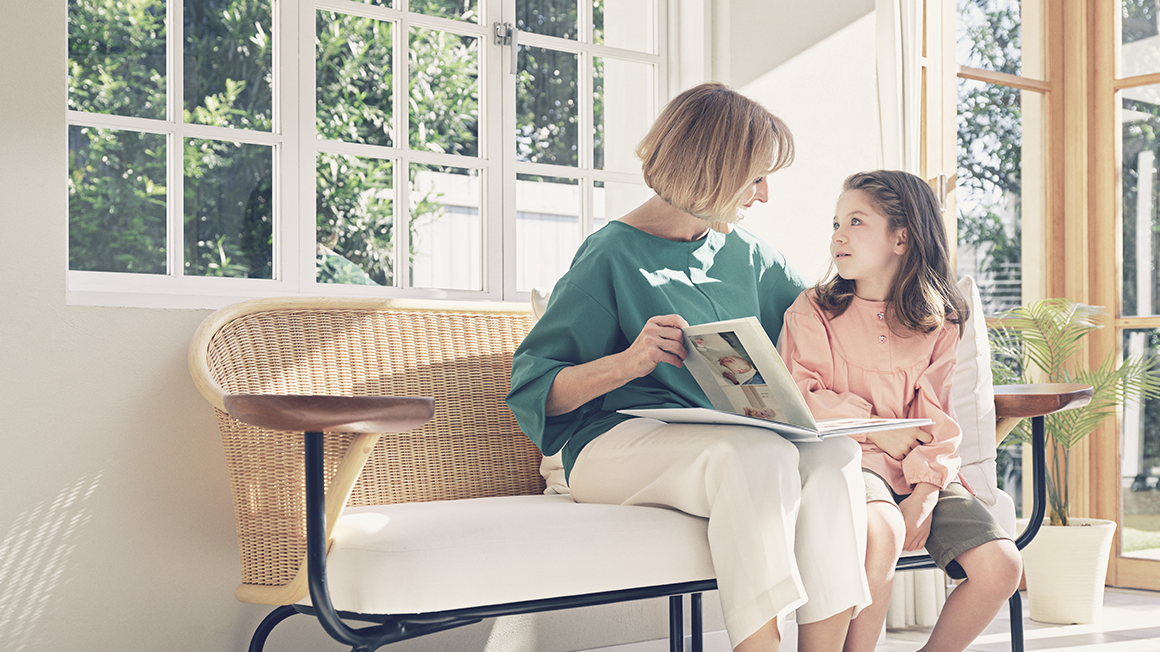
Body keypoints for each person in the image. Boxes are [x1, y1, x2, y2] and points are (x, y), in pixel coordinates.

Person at [507, 82, 871, 652]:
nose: (766, 195)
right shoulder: (610, 255)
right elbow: (535, 390)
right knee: (758, 457)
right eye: (755, 177)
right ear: (711, 170)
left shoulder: (751, 255)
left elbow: (824, 329)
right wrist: (629, 362)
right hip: (611, 444)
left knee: (834, 458)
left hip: (724, 435)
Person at [778, 170, 1023, 652]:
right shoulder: (812, 311)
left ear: (902, 236)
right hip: (849, 457)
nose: (838, 235)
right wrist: (881, 430)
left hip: (921, 469)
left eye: (855, 221)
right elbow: (800, 394)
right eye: (835, 223)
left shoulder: (941, 320)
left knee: (1002, 567)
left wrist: (928, 492)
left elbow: (940, 421)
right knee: (884, 528)